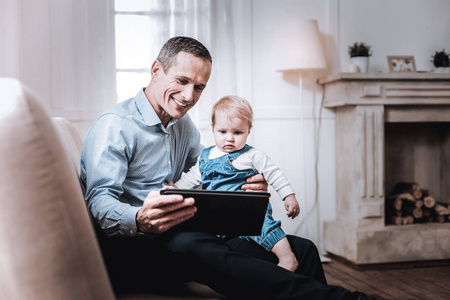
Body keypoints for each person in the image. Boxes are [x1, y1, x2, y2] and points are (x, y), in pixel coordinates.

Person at [80, 36, 388, 300]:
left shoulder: (182, 126)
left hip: (180, 235)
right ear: (156, 70)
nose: (189, 97)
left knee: (302, 249)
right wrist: (140, 218)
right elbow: (99, 202)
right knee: (191, 242)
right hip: (131, 250)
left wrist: (247, 183)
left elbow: (209, 171)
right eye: (183, 81)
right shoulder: (116, 125)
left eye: (199, 87)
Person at [169, 95, 300, 272]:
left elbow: (275, 174)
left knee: (265, 227)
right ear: (213, 129)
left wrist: (288, 195)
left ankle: (287, 257)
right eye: (223, 132)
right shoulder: (206, 156)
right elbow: (191, 178)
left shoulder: (253, 155)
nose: (229, 138)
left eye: (237, 133)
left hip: (246, 210)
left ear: (249, 130)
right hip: (216, 213)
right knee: (200, 230)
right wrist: (174, 188)